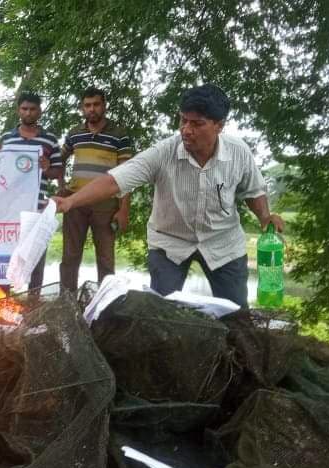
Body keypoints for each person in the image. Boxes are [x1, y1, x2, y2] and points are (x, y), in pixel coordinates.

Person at [51, 84, 284, 308]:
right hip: (170, 243)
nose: (186, 130)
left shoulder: (238, 152)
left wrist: (265, 216)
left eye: (197, 123)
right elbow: (114, 180)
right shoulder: (163, 152)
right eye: (183, 120)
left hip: (223, 244)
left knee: (235, 315)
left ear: (219, 126)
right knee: (162, 316)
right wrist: (70, 201)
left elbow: (253, 190)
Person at [58, 87, 134, 291]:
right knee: (70, 257)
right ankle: (66, 304)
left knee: (106, 259)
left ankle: (105, 308)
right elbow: (59, 160)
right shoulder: (75, 133)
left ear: (104, 106)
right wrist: (62, 187)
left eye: (96, 104)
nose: (92, 109)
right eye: (87, 105)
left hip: (106, 205)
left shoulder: (119, 134)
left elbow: (128, 174)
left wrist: (124, 208)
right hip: (75, 202)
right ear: (82, 108)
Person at [0, 91, 63, 292]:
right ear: (19, 110)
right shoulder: (7, 138)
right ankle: (4, 297)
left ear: (39, 112)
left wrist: (46, 167)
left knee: (35, 253)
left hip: (37, 204)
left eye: (32, 109)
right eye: (24, 109)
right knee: (8, 252)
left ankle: (34, 299)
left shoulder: (50, 140)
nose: (28, 113)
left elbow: (58, 171)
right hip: (10, 205)